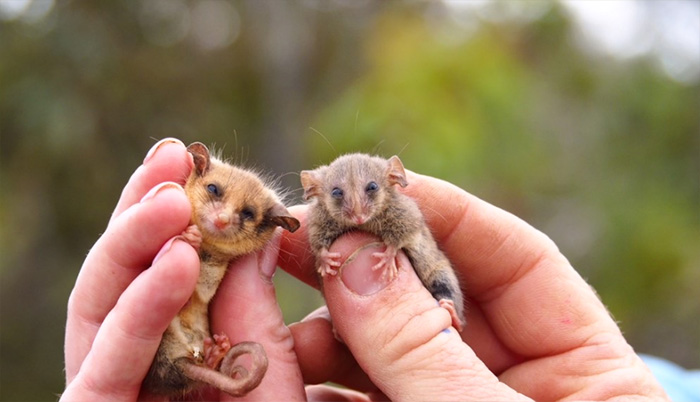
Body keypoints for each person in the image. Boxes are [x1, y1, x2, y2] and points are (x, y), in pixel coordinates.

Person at [61, 138, 670, 401]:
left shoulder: (400, 217)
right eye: (336, 199)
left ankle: (447, 301)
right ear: (316, 193)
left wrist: (426, 308)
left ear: (395, 182)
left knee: (434, 264)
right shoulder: (290, 224)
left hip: (432, 300)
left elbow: (416, 245)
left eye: (370, 194)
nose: (353, 210)